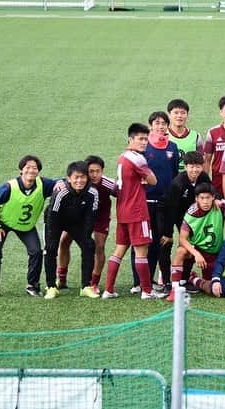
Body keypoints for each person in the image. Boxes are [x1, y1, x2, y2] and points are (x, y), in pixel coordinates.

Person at [102, 123, 165, 300]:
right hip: (137, 211)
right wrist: (145, 179)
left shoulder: (122, 158)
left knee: (119, 249)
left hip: (122, 210)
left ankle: (108, 289)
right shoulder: (137, 158)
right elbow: (153, 181)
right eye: (140, 139)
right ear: (131, 139)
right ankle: (146, 290)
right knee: (141, 251)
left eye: (146, 139)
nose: (144, 142)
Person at [0, 155, 61, 298]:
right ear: (21, 170)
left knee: (36, 252)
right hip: (2, 223)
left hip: (25, 226)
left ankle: (33, 285)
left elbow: (61, 182)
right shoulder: (8, 187)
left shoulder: (43, 184)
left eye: (35, 168)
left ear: (38, 171)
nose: (31, 170)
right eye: (28, 167)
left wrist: (63, 183)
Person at [129, 111, 179, 295]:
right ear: (151, 125)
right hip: (144, 202)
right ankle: (137, 282)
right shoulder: (142, 148)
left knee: (159, 242)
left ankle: (151, 281)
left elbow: (173, 175)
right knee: (141, 241)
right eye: (157, 123)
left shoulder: (172, 147)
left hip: (164, 203)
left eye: (164, 123)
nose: (161, 126)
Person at [167, 183, 225, 302]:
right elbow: (182, 239)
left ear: (213, 197)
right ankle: (174, 289)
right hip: (197, 249)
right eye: (202, 198)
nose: (205, 201)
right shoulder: (191, 213)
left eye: (208, 198)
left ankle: (194, 280)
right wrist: (196, 253)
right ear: (196, 199)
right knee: (181, 251)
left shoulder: (221, 207)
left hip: (216, 252)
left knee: (216, 288)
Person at [55, 155, 116, 292]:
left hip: (100, 217)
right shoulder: (80, 181)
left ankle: (93, 283)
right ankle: (62, 278)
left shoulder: (108, 184)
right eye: (91, 171)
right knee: (64, 241)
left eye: (98, 171)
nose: (94, 175)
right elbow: (60, 181)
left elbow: (125, 191)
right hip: (80, 217)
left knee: (99, 247)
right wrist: (57, 183)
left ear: (102, 171)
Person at [42, 161, 99, 299]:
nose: (79, 180)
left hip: (76, 223)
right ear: (69, 178)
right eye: (76, 177)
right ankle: (51, 286)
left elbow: (91, 217)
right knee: (50, 249)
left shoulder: (92, 193)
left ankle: (86, 286)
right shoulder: (61, 193)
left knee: (89, 245)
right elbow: (52, 216)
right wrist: (52, 236)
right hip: (56, 222)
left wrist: (86, 236)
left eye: (83, 177)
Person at [161, 151, 212, 252]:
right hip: (175, 213)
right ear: (185, 167)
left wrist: (218, 201)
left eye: (198, 167)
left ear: (202, 167)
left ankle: (186, 268)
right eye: (191, 167)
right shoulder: (178, 184)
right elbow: (170, 209)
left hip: (192, 214)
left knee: (192, 242)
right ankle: (166, 268)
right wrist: (167, 232)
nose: (195, 170)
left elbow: (212, 192)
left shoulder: (204, 177)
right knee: (170, 242)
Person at [167, 98, 203, 172]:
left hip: (189, 180)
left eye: (183, 113)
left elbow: (201, 161)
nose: (179, 116)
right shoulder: (163, 135)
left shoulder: (196, 136)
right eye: (176, 113)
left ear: (187, 115)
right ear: (169, 115)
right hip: (168, 180)